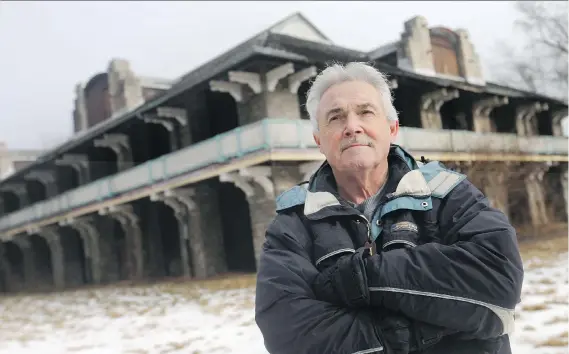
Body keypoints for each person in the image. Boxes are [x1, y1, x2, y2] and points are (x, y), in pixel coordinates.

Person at [254, 62, 524, 354]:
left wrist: (362, 279)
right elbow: (289, 334)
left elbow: (498, 279)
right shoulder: (293, 223)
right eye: (335, 117)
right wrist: (404, 334)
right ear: (319, 141)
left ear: (392, 128)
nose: (352, 127)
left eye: (365, 112)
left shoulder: (448, 193)